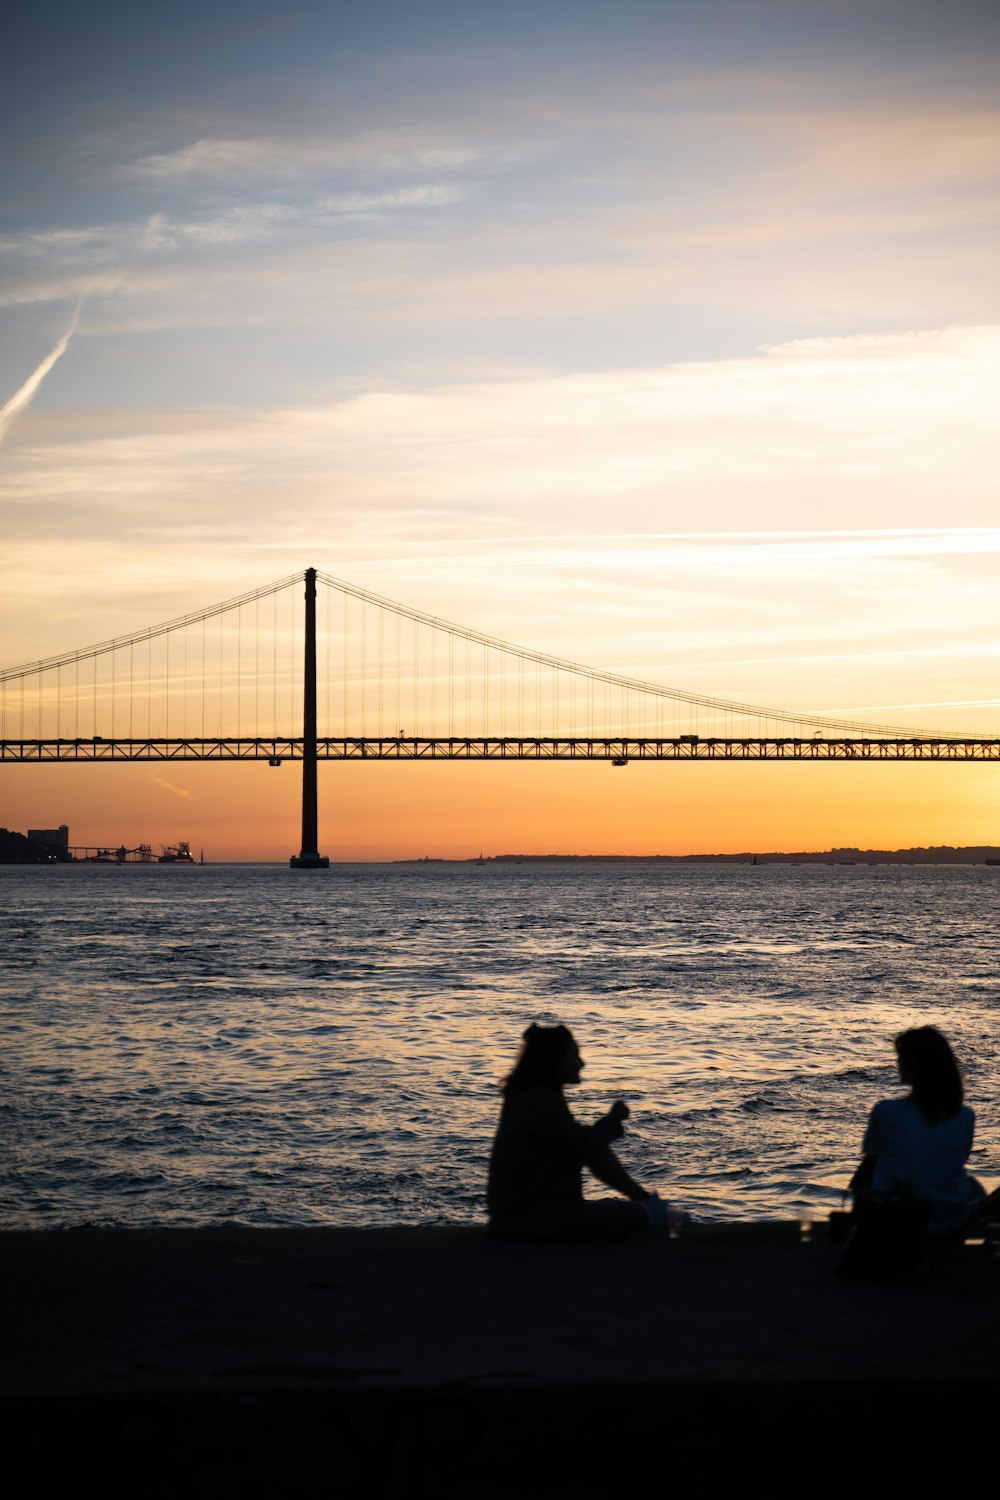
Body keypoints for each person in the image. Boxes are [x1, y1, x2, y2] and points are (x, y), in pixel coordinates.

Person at [487, 1022, 673, 1241]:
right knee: (634, 1214)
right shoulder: (540, 1100)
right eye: (574, 1056)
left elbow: (579, 1143)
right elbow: (581, 1145)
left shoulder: (529, 1095)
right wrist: (613, 1121)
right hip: (532, 1219)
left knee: (599, 1156)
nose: (581, 1063)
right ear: (555, 1061)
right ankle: (648, 1205)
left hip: (524, 1212)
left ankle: (645, 1200)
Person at [857, 1026, 988, 1237]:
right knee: (973, 1187)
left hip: (898, 1221)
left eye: (901, 1058)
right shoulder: (965, 1116)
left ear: (914, 1066)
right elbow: (958, 1159)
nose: (897, 1064)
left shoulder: (885, 1111)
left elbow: (871, 1155)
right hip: (950, 1221)